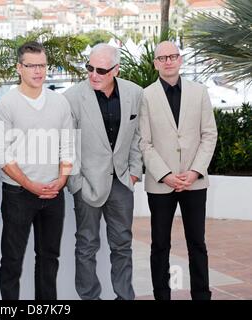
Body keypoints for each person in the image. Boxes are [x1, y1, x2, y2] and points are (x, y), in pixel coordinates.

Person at [0, 41, 74, 300]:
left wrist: (61, 180)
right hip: (18, 194)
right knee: (12, 259)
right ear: (19, 68)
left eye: (42, 65)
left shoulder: (59, 102)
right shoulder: (6, 105)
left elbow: (68, 145)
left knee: (49, 257)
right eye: (31, 66)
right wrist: (30, 185)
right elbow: (1, 155)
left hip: (53, 193)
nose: (38, 71)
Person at [64, 43, 143, 300]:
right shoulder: (73, 98)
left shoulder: (135, 93)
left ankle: (124, 296)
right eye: (89, 68)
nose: (93, 75)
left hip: (121, 182)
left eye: (101, 70)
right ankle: (89, 297)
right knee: (86, 245)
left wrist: (134, 171)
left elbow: (138, 136)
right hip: (87, 183)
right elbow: (67, 145)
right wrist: (75, 182)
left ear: (116, 70)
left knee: (123, 245)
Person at [139, 41, 218, 300]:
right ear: (156, 64)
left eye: (173, 56)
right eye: (162, 58)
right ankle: (162, 295)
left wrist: (195, 171)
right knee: (160, 244)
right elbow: (144, 142)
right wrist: (166, 175)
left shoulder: (200, 92)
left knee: (197, 243)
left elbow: (209, 135)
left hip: (194, 182)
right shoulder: (146, 96)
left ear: (180, 59)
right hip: (161, 183)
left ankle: (201, 295)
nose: (168, 61)